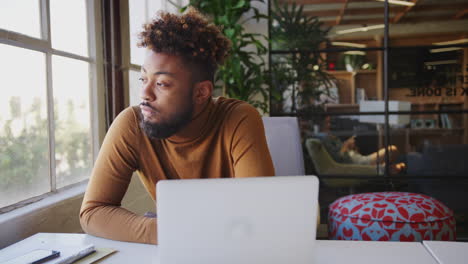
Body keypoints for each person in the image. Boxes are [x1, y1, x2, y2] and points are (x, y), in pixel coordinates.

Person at [79, 8, 275, 245]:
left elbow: (257, 215)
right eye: (143, 79)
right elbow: (93, 212)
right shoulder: (132, 123)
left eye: (161, 83)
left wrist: (178, 231)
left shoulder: (239, 119)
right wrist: (169, 231)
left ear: (201, 92)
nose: (144, 93)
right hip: (185, 245)